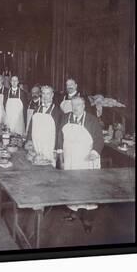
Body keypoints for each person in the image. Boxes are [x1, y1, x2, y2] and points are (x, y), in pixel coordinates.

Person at [57, 96, 104, 232]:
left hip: (86, 159)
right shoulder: (66, 118)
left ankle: (88, 219)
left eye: (78, 105)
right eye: (73, 105)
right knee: (71, 186)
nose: (75, 107)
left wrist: (94, 153)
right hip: (71, 159)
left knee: (87, 188)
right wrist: (60, 153)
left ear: (83, 106)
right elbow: (60, 136)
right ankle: (73, 212)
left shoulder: (91, 120)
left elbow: (99, 139)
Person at [25, 85, 62, 166]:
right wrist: (29, 140)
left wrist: (56, 149)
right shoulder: (37, 109)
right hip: (36, 144)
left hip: (49, 147)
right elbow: (31, 127)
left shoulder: (57, 111)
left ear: (52, 95)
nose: (45, 96)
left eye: (48, 94)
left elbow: (59, 133)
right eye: (43, 94)